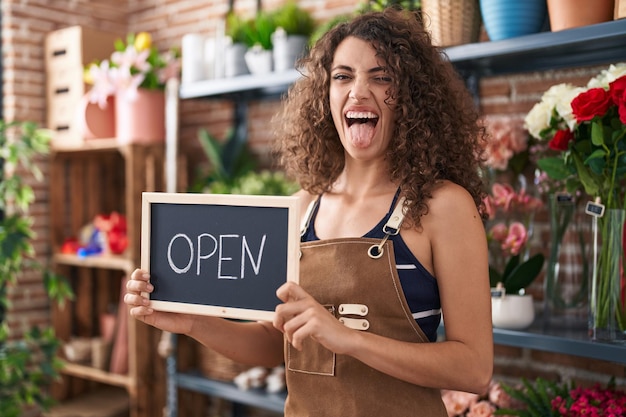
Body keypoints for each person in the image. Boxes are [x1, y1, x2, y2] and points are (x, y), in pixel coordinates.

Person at [125, 7, 493, 416]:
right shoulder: (302, 207)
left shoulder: (442, 207)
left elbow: (474, 369)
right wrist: (189, 322)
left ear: (411, 96)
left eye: (382, 76)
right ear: (326, 95)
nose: (358, 91)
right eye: (343, 76)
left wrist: (347, 338)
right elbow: (275, 341)